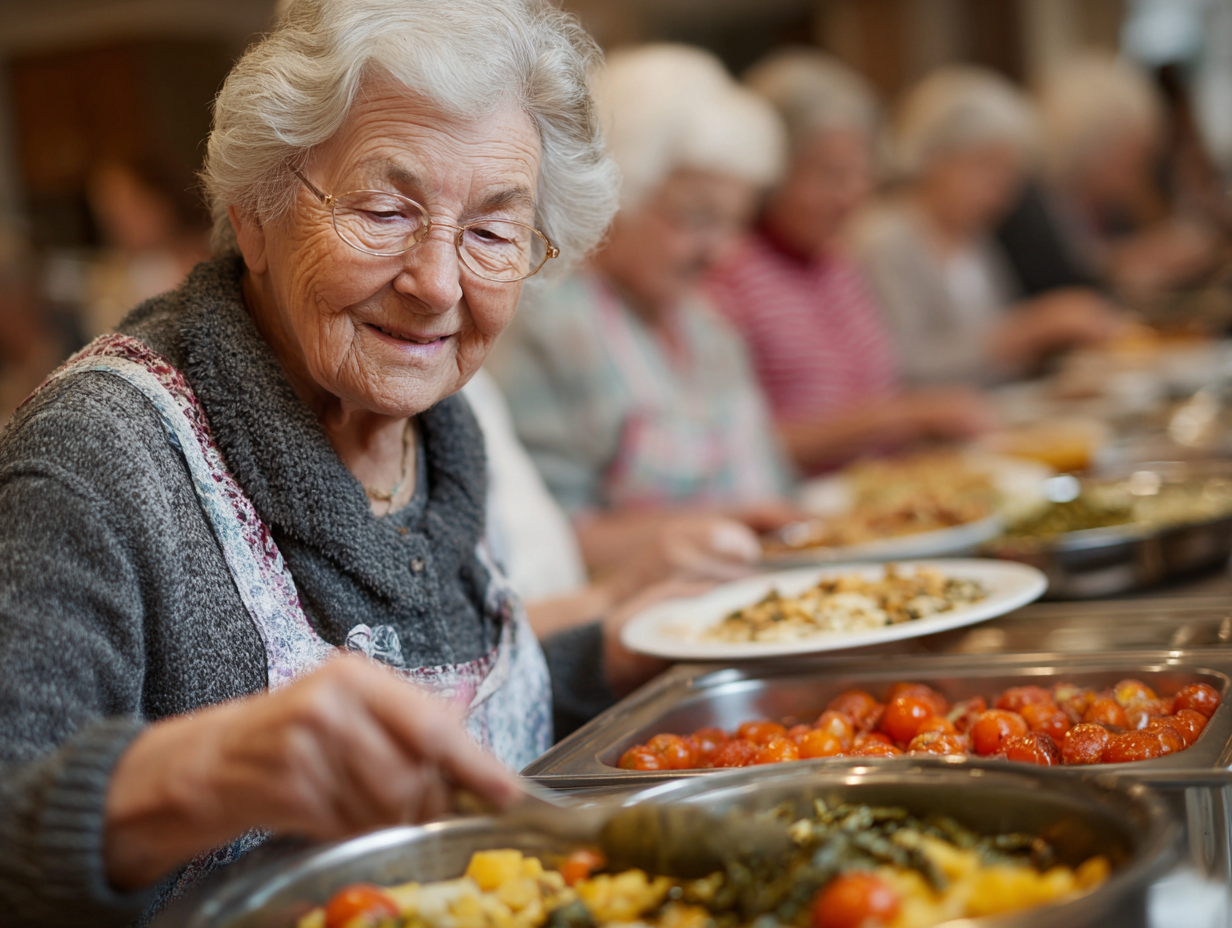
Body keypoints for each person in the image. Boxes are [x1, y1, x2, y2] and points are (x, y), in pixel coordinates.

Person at [0, 0, 635, 922]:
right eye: (384, 210)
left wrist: (610, 655)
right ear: (251, 217)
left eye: (493, 234)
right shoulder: (101, 456)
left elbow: (441, 721)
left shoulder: (437, 431)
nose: (439, 284)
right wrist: (198, 775)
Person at [488, 44, 798, 574]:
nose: (721, 252)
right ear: (614, 196)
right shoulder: (544, 322)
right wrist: (730, 530)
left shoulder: (710, 326)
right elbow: (544, 548)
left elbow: (775, 482)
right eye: (697, 218)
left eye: (736, 223)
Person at [704, 49, 995, 474]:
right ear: (770, 173)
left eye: (860, 173)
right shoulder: (726, 273)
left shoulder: (837, 262)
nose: (851, 196)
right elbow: (740, 444)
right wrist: (903, 416)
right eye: (829, 176)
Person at [850, 66, 1124, 387]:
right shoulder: (885, 240)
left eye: (1009, 174)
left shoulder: (974, 236)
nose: (1002, 190)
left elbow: (1004, 360)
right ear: (932, 157)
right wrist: (1028, 330)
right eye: (986, 167)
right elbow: (906, 366)